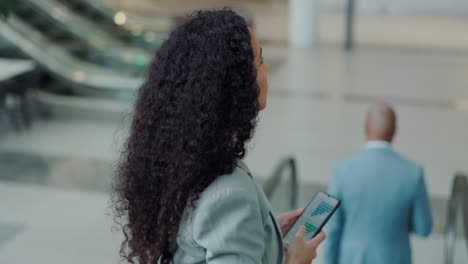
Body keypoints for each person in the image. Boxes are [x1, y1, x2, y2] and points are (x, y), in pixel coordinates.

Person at [113, 9, 325, 264]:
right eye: (259, 61)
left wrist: (263, 232)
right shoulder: (229, 193)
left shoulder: (182, 164)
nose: (266, 69)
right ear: (233, 83)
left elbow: (200, 241)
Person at [324, 103, 433, 264]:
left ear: (365, 127)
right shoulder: (413, 172)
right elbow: (424, 228)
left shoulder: (342, 170)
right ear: (395, 130)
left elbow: (332, 228)